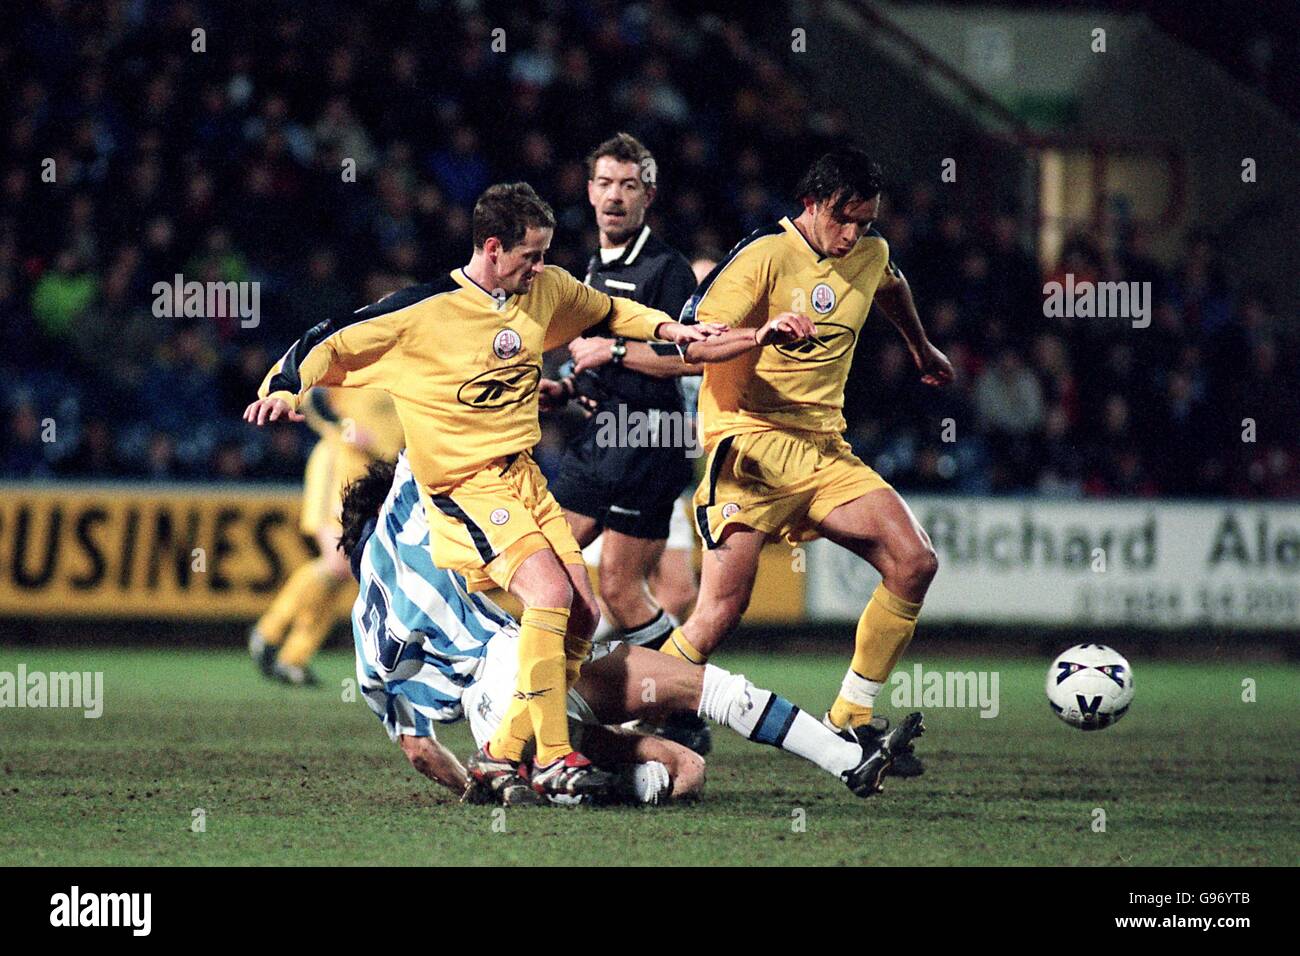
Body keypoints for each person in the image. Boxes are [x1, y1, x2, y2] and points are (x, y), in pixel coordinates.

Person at [243, 182, 720, 799]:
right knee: (547, 594)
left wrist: (672, 331)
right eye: (531, 254)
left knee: (585, 610)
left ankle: (500, 753)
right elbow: (327, 338)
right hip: (461, 486)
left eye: (546, 253)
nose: (541, 266)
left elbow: (606, 313)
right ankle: (553, 755)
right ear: (493, 248)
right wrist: (284, 386)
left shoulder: (542, 291)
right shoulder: (420, 311)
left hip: (523, 479)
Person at [343, 454, 923, 804]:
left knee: (680, 773)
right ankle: (843, 757)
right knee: (711, 693)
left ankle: (564, 780)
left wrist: (474, 787)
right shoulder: (412, 493)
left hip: (500, 705)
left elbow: (421, 751)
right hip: (523, 662)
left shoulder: (365, 638)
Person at [660, 147, 955, 767]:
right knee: (719, 612)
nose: (854, 235)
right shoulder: (763, 254)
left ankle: (850, 717)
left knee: (914, 562)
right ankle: (641, 713)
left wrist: (922, 350)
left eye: (866, 223)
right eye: (845, 219)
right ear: (814, 204)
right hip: (748, 444)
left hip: (824, 448)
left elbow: (891, 287)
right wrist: (760, 334)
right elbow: (693, 342)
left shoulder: (869, 255)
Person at [545, 133, 711, 751]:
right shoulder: (594, 265)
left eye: (629, 185)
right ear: (589, 192)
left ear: (648, 195)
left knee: (546, 558)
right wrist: (566, 387)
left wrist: (612, 350)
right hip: (610, 433)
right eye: (606, 184)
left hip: (644, 441)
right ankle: (684, 701)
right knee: (614, 587)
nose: (615, 197)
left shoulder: (665, 269)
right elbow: (600, 360)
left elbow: (692, 358)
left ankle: (524, 687)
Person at [249, 387, 403, 685]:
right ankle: (268, 631)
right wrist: (345, 428)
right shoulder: (358, 356)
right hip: (340, 470)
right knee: (338, 563)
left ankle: (292, 658)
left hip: (376, 478)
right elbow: (311, 397)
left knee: (346, 574)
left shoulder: (407, 369)